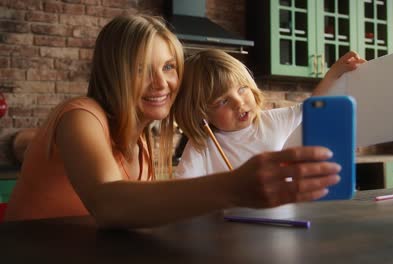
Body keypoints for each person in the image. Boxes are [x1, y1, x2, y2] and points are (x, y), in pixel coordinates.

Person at [4, 14, 342, 228]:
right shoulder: (82, 114)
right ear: (114, 74)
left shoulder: (144, 143)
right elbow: (108, 204)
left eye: (168, 67)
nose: (161, 83)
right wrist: (234, 187)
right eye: (140, 69)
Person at [174, 49, 364, 178]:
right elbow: (182, 189)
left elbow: (311, 107)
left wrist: (333, 73)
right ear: (203, 114)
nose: (239, 103)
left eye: (242, 89)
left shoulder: (273, 121)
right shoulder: (202, 144)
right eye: (223, 101)